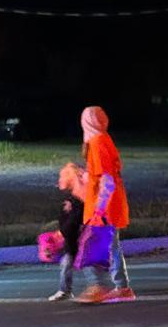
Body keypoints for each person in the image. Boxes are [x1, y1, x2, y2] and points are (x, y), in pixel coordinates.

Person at [75, 106, 135, 304]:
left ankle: (97, 287)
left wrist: (99, 209)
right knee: (112, 246)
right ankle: (122, 287)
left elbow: (106, 180)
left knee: (91, 245)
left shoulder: (98, 142)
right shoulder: (103, 140)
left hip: (103, 207)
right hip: (111, 204)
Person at [48, 162, 87, 301]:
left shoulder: (77, 198)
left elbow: (75, 219)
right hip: (72, 238)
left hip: (77, 238)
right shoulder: (70, 197)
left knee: (71, 262)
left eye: (62, 177)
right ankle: (65, 290)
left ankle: (66, 290)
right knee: (67, 262)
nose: (59, 180)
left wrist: (61, 232)